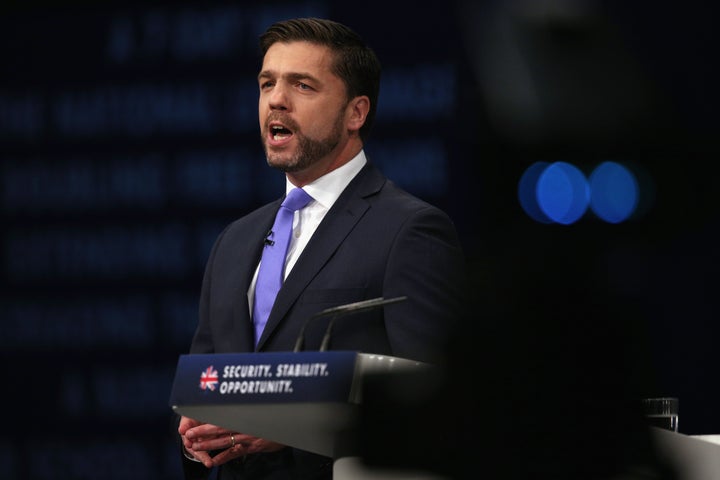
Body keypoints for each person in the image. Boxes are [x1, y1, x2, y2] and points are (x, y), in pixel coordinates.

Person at [176, 17, 467, 480]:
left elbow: (440, 402)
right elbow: (204, 386)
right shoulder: (234, 241)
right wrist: (196, 440)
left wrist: (295, 429)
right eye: (267, 83)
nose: (276, 99)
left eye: (303, 86)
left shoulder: (409, 230)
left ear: (356, 113)